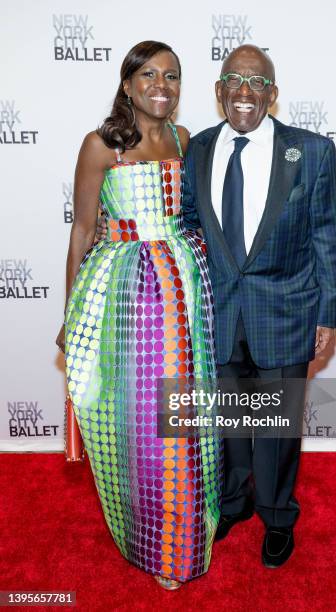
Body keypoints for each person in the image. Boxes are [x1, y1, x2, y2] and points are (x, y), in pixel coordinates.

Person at [56, 40, 221, 590]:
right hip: (130, 296)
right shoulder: (102, 144)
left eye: (172, 76)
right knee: (144, 424)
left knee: (183, 418)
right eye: (148, 74)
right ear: (127, 84)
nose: (161, 85)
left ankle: (185, 537)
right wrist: (70, 311)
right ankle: (155, 539)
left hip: (184, 290)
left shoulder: (186, 139)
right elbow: (82, 230)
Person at [182, 44, 336, 568]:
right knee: (229, 424)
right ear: (218, 92)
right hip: (221, 313)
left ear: (272, 95)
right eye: (233, 80)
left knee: (278, 429)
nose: (244, 92)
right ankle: (234, 502)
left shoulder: (312, 151)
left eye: (256, 83)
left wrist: (328, 313)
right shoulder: (199, 149)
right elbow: (187, 227)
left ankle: (277, 515)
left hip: (288, 311)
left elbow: (327, 234)